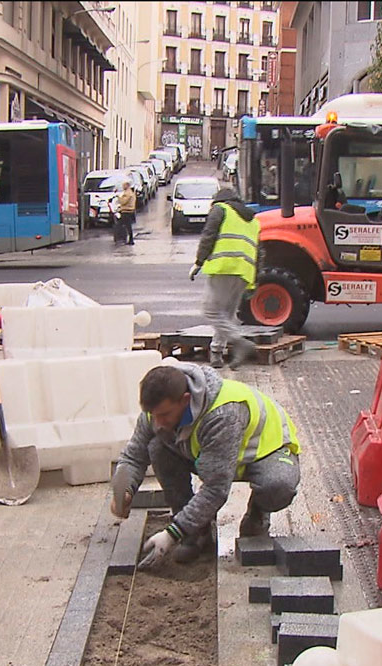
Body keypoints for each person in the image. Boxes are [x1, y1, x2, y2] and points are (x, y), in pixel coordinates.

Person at [110, 363, 301, 569]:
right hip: (214, 456)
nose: (157, 421)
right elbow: (133, 456)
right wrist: (124, 489)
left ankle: (257, 514)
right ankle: (197, 534)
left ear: (185, 400)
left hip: (264, 453)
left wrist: (172, 533)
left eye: (164, 415)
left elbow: (216, 489)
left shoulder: (223, 414)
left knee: (278, 485)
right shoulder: (158, 409)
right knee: (157, 448)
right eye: (153, 415)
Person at [189, 187, 258, 369]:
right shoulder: (253, 220)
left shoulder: (221, 209)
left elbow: (208, 235)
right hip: (245, 271)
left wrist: (198, 262)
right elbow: (259, 251)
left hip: (224, 267)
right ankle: (217, 354)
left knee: (210, 310)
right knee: (226, 314)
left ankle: (240, 342)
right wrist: (254, 280)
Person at [114, 180, 137, 246]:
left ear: (127, 185)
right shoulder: (130, 192)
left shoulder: (127, 193)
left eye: (123, 185)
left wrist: (118, 197)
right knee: (127, 225)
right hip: (129, 211)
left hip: (126, 211)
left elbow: (123, 201)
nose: (122, 186)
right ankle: (129, 239)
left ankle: (123, 239)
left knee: (121, 225)